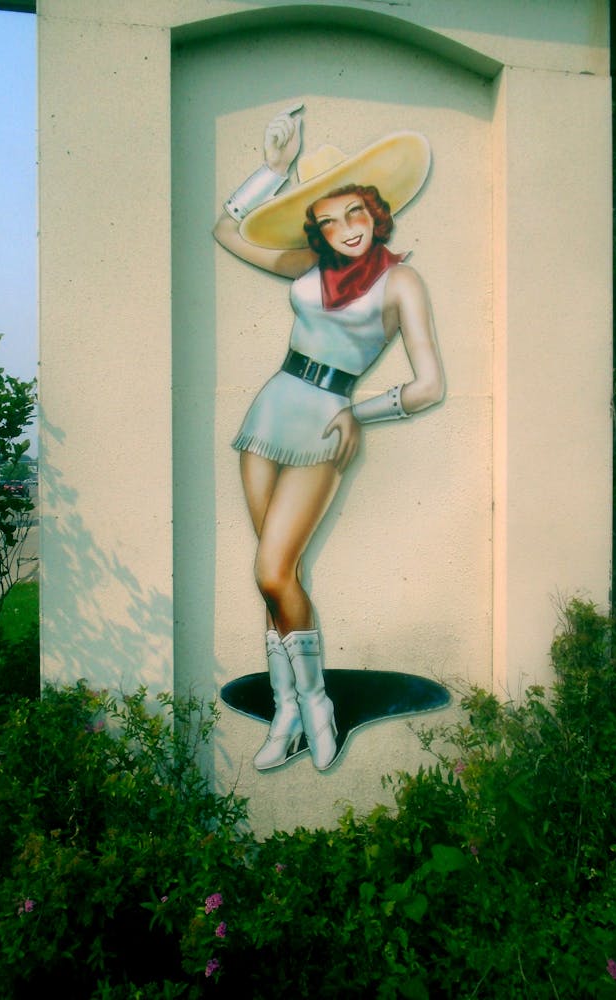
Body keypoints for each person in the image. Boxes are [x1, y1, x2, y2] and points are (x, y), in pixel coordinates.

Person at [213, 106, 445, 772]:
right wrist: (273, 170)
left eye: (355, 214)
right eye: (328, 220)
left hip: (325, 418)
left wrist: (359, 414)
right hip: (269, 411)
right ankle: (289, 713)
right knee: (274, 579)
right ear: (315, 227)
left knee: (271, 569)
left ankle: (316, 707)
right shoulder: (304, 268)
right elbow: (223, 230)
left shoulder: (401, 282)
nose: (344, 229)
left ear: (376, 211)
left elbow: (429, 385)